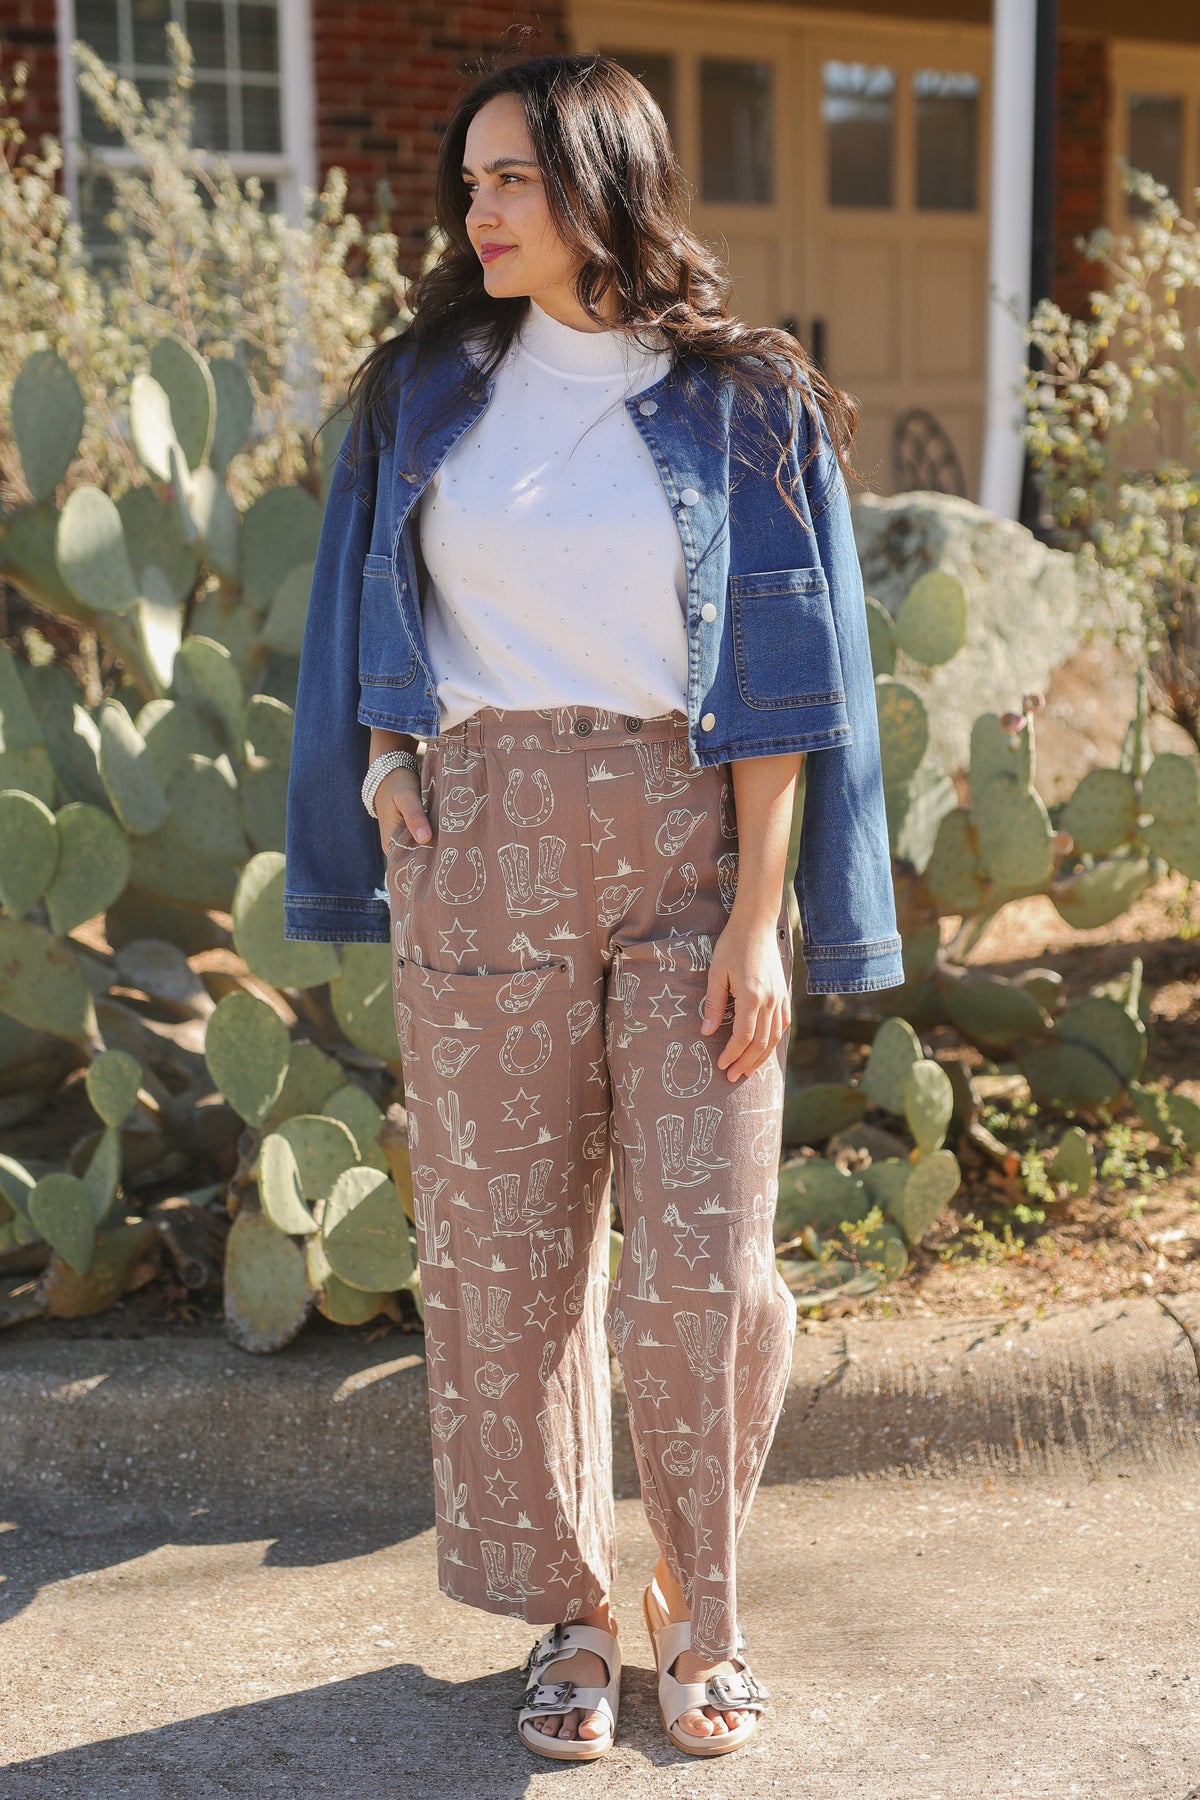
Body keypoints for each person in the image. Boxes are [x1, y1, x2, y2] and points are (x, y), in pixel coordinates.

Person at [283, 51, 902, 1763]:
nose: (473, 211)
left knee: (705, 1267)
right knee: (506, 1268)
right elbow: (367, 595)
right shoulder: (425, 388)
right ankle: (567, 1610)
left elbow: (791, 679)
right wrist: (392, 767)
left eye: (510, 182)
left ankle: (702, 1615)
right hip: (478, 844)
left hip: (688, 847)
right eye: (468, 183)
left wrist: (762, 918)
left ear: (600, 183)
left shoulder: (749, 398)